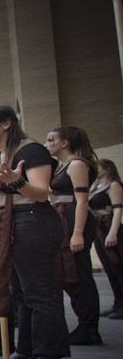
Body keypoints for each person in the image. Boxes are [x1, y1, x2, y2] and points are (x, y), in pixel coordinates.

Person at [0, 105, 69, 359]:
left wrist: (16, 181)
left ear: (7, 124)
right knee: (21, 292)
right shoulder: (4, 155)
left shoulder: (31, 151)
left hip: (34, 220)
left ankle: (47, 358)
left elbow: (42, 193)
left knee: (40, 292)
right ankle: (27, 349)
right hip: (13, 221)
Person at [46, 126, 101, 345]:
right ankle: (84, 323)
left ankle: (89, 328)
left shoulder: (77, 164)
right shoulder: (62, 166)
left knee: (78, 273)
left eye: (51, 140)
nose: (47, 143)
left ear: (65, 143)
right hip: (62, 218)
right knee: (69, 274)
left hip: (73, 219)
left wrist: (77, 233)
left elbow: (82, 201)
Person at [89, 159, 123, 319]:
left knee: (118, 267)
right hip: (99, 230)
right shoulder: (95, 187)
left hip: (110, 228)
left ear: (107, 168)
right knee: (109, 268)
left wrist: (113, 232)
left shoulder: (114, 185)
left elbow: (117, 210)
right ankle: (118, 302)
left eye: (98, 167)